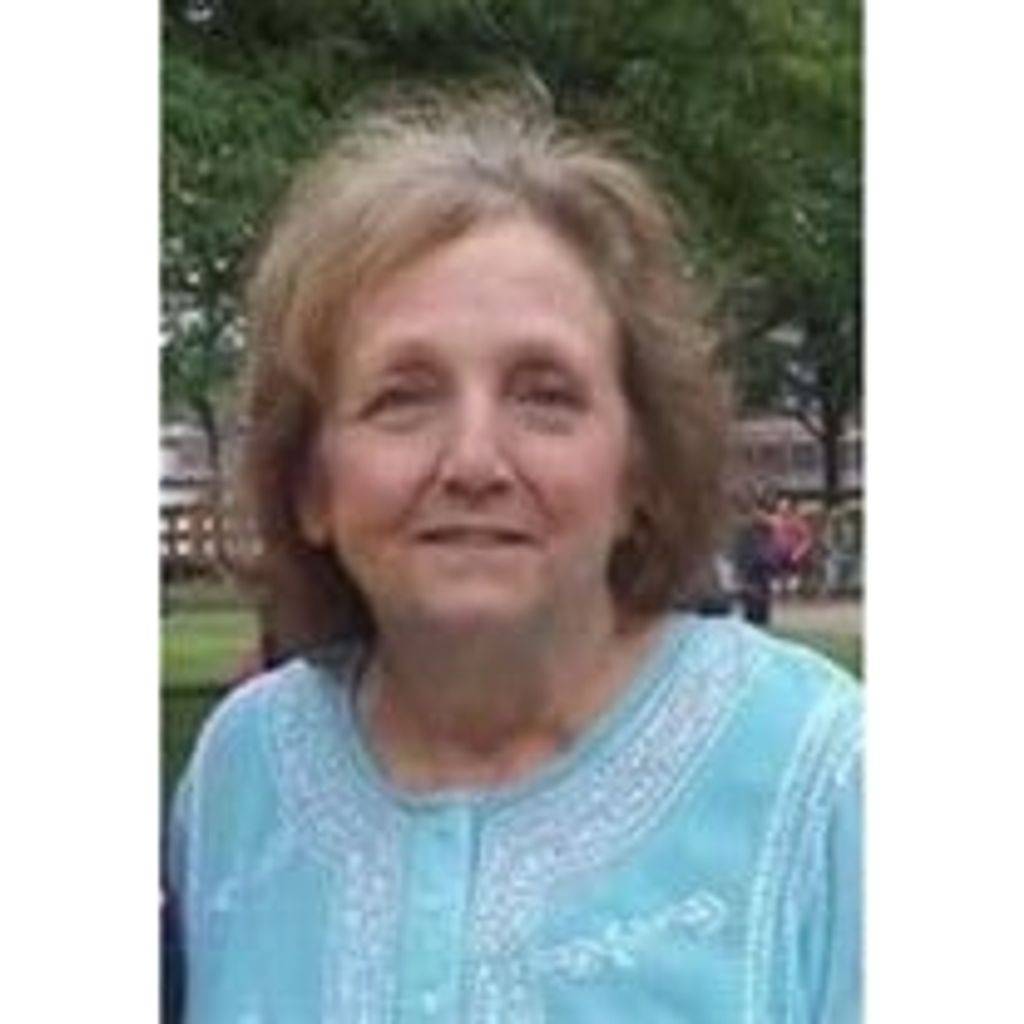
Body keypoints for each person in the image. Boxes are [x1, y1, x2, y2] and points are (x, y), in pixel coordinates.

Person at [166, 92, 862, 1023]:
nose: (474, 462)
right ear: (310, 485)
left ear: (640, 469)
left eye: (545, 396)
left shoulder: (825, 780)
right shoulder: (241, 776)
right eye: (402, 397)